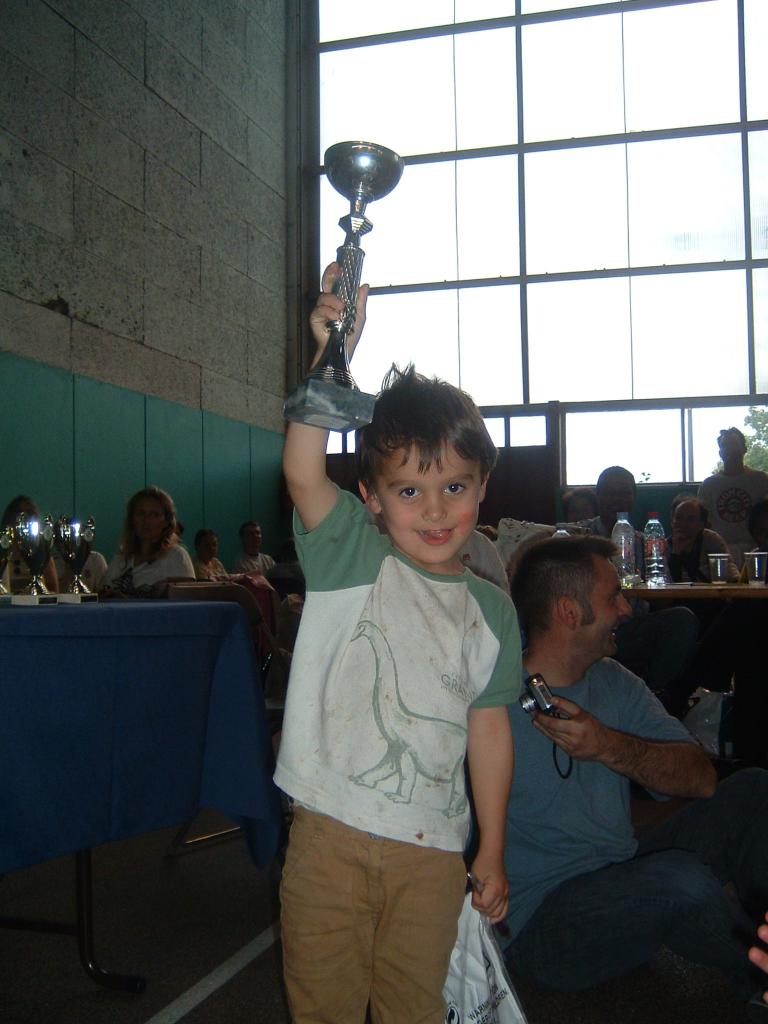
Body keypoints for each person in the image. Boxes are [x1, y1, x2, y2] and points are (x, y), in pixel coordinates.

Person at [275, 263, 521, 1024]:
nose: (436, 509)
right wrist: (333, 353)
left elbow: (489, 730)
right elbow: (301, 469)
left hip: (432, 852)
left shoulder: (492, 612)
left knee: (414, 1009)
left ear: (483, 486)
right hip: (328, 834)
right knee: (324, 1007)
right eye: (409, 490)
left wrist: (491, 846)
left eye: (456, 486)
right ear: (371, 499)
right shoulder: (351, 555)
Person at [501, 534, 768, 1014]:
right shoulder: (493, 700)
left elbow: (701, 779)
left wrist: (608, 746)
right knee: (678, 881)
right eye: (614, 598)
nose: (627, 609)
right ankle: (759, 977)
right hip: (542, 923)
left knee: (753, 789)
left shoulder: (614, 680)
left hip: (621, 871)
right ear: (568, 612)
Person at [580, 466, 700, 694]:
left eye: (624, 492)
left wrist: (654, 578)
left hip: (629, 629)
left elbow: (665, 598)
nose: (617, 499)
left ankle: (654, 695)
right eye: (610, 492)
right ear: (598, 496)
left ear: (634, 497)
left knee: (682, 619)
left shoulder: (646, 542)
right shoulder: (578, 535)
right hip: (587, 628)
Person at [100, 486, 194, 598]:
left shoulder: (176, 556)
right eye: (140, 513)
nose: (146, 520)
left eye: (154, 514)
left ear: (166, 521)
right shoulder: (121, 558)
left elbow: (186, 601)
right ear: (132, 520)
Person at [698, 427, 768, 567]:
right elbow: (703, 524)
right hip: (721, 553)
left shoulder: (761, 480)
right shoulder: (708, 486)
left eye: (734, 444)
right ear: (720, 453)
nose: (731, 449)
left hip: (757, 550)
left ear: (744, 449)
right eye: (726, 445)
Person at [667, 494, 738, 584]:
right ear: (672, 522)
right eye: (678, 518)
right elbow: (665, 584)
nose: (683, 524)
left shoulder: (711, 540)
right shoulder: (665, 547)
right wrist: (675, 554)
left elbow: (732, 577)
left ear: (701, 524)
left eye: (690, 519)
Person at [1, 495, 59, 594]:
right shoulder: (3, 551)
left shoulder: (42, 551)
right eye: (21, 512)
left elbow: (54, 591)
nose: (27, 517)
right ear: (11, 517)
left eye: (31, 513)